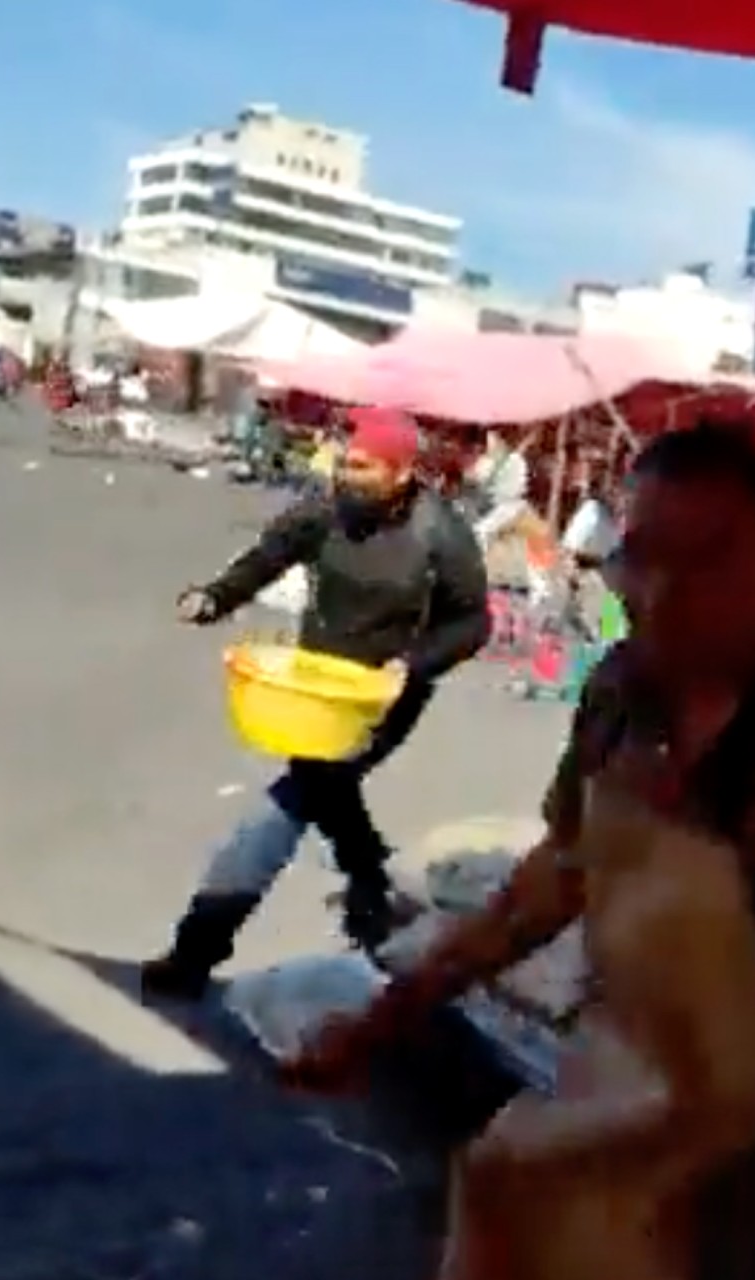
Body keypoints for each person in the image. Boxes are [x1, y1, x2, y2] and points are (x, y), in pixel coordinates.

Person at [286, 420, 755, 1280]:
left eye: (711, 556)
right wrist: (379, 1022)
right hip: (626, 1098)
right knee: (503, 1187)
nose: (667, 590)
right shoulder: (618, 694)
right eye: (645, 555)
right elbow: (551, 883)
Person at [142, 405, 493, 1000]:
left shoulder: (442, 533)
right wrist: (213, 598)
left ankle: (194, 951)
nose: (347, 475)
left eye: (362, 467)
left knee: (282, 810)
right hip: (311, 687)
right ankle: (373, 887)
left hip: (378, 700)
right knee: (326, 792)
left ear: (401, 474)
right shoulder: (323, 510)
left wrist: (412, 666)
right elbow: (265, 558)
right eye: (344, 463)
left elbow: (473, 623)